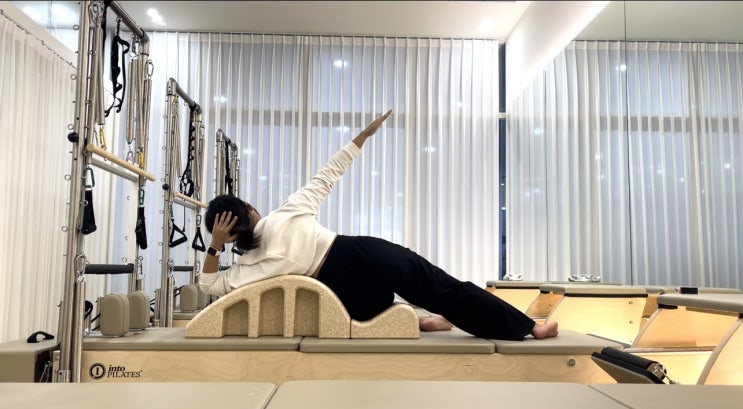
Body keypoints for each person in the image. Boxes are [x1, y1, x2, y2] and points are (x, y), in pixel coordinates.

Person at [200, 110, 558, 341]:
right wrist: (362, 137)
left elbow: (209, 285)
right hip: (360, 257)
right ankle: (526, 327)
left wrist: (215, 246)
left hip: (345, 288)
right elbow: (328, 173)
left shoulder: (249, 266)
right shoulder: (285, 214)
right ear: (249, 207)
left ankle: (422, 318)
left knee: (397, 301)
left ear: (228, 235)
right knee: (439, 287)